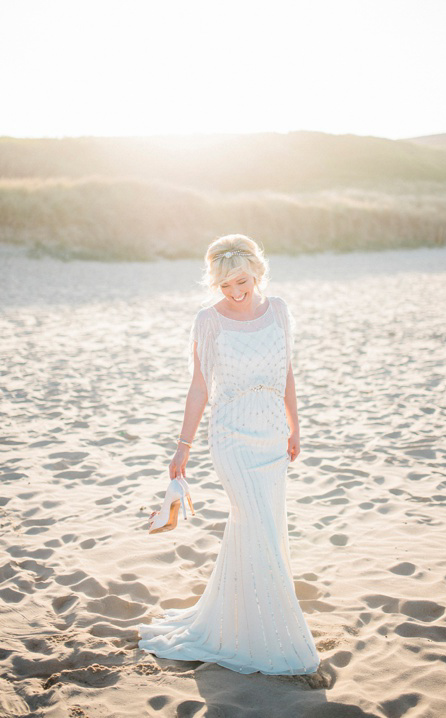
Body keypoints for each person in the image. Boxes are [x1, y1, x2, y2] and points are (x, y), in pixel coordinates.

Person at [138, 234, 320, 675]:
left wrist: (295, 426)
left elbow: (288, 371)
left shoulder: (278, 310)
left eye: (242, 282)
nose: (236, 292)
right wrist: (182, 447)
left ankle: (241, 619)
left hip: (273, 434)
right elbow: (200, 387)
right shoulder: (209, 321)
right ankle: (271, 632)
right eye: (226, 286)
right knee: (254, 520)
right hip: (231, 437)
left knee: (267, 529)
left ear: (257, 272)